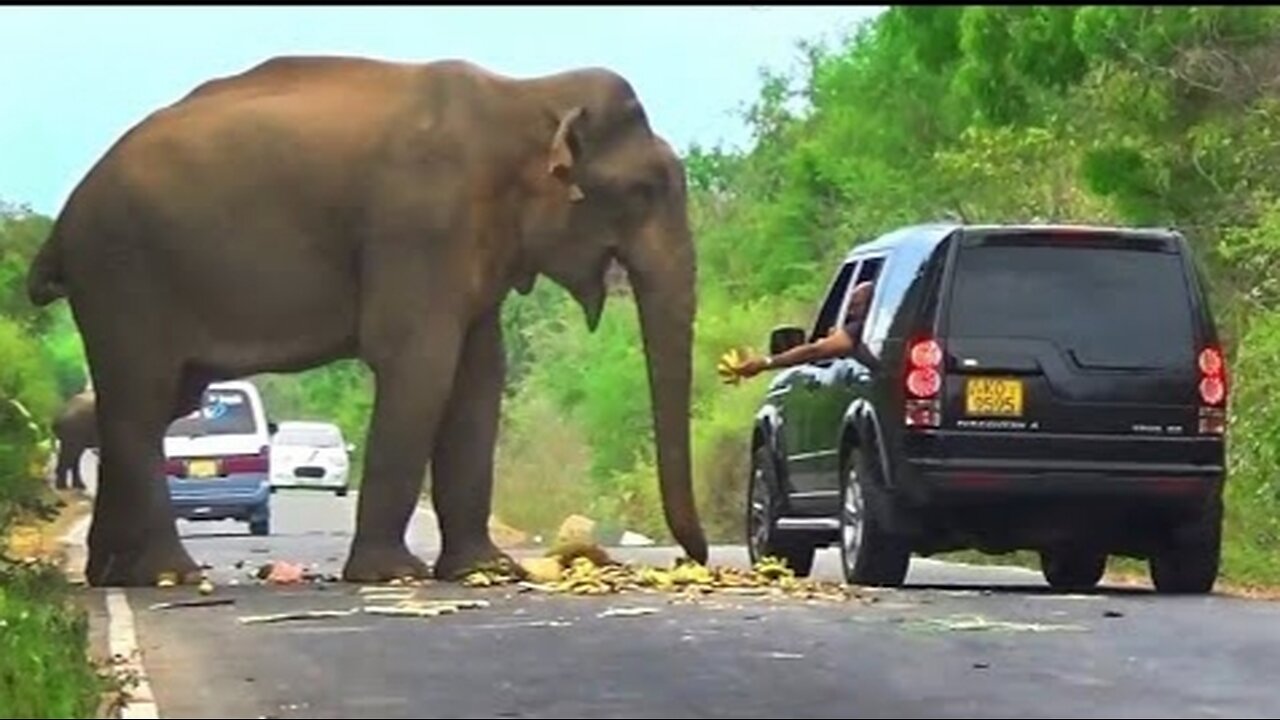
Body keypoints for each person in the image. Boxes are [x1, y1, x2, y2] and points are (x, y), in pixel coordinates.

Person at [723, 280, 877, 381]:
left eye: (855, 305)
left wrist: (765, 362)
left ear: (873, 305)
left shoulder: (859, 329)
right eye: (849, 307)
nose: (849, 313)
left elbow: (814, 351)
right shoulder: (879, 332)